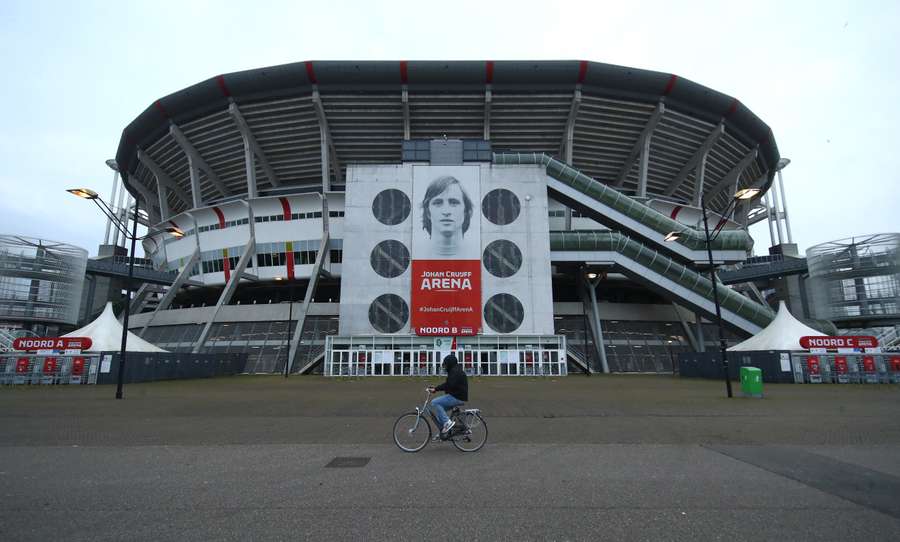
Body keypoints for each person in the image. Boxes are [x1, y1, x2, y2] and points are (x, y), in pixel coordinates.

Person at [419, 176, 474, 259]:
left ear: (466, 212)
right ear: (428, 212)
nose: (446, 211)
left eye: (454, 203)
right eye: (438, 203)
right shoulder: (415, 254)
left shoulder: (477, 254)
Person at [427, 354, 468, 434]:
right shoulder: (455, 370)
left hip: (457, 397)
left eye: (446, 365)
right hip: (458, 396)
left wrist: (436, 389)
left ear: (450, 363)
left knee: (435, 402)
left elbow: (449, 385)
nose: (445, 367)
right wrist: (436, 388)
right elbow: (449, 384)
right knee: (440, 412)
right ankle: (443, 433)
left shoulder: (455, 372)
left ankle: (447, 423)